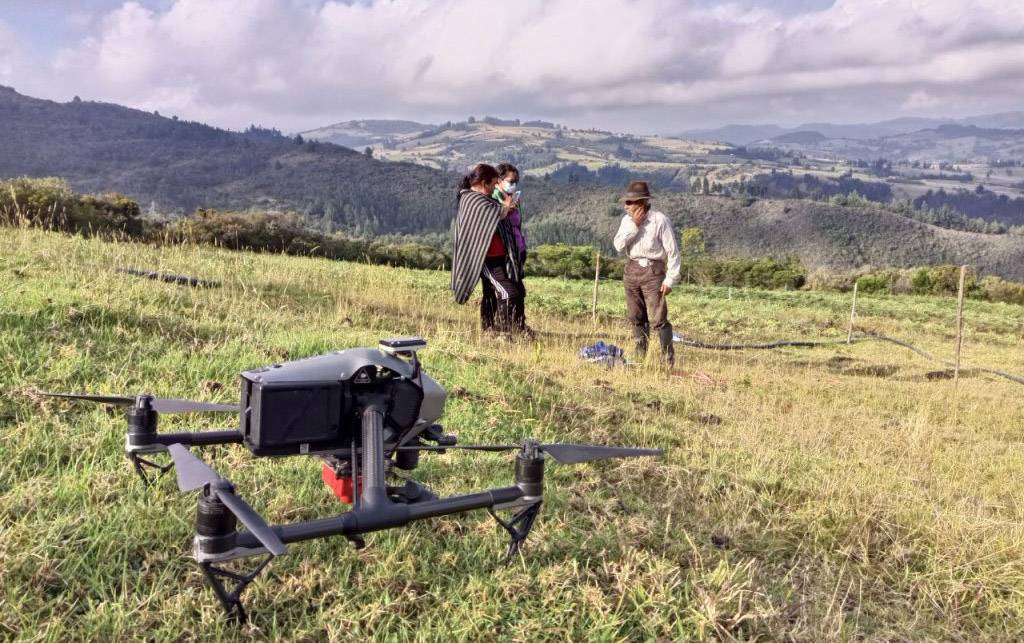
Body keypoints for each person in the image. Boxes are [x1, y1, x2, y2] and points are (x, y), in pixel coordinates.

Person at [451, 163, 526, 334]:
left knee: (496, 294)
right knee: (509, 293)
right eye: (493, 185)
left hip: (498, 255)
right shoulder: (472, 199)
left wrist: (506, 207)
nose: (494, 189)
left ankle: (492, 329)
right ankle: (503, 332)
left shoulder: (480, 198)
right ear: (484, 183)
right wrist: (507, 205)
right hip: (485, 257)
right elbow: (495, 213)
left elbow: (497, 213)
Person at [612, 180, 681, 365]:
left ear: (641, 203)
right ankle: (640, 354)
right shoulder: (626, 221)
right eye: (626, 202)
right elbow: (618, 245)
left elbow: (673, 253)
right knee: (636, 315)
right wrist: (634, 225)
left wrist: (670, 280)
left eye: (629, 202)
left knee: (658, 317)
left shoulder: (660, 220)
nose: (626, 206)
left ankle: (667, 359)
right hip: (632, 269)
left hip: (653, 270)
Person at [488, 163, 529, 331]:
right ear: (498, 180)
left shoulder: (512, 199)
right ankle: (500, 328)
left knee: (519, 292)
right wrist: (507, 208)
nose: (513, 185)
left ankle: (518, 326)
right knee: (508, 292)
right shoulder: (494, 200)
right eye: (510, 181)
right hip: (499, 255)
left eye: (515, 182)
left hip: (515, 253)